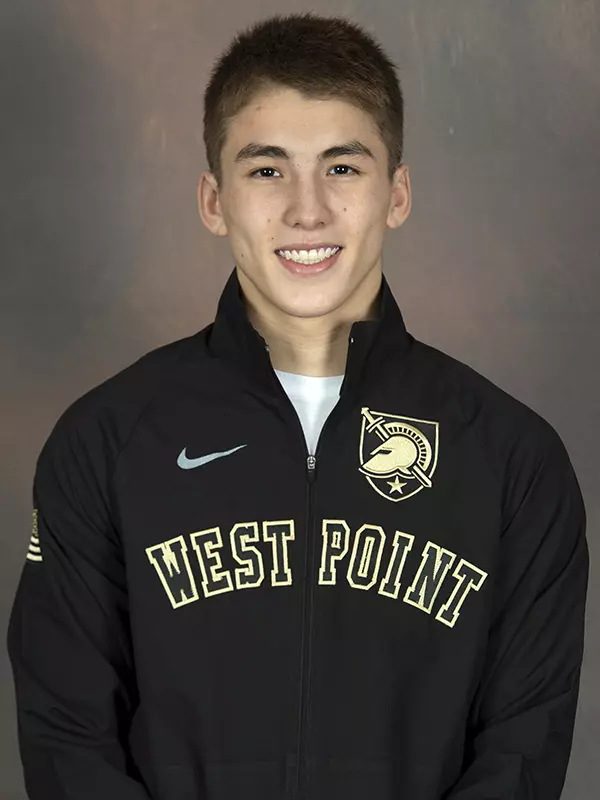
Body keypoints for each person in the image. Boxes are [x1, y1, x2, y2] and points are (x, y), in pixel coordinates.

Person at [6, 11, 589, 800]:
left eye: (343, 168)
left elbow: (522, 749)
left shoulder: (515, 461)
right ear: (214, 200)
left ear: (398, 192)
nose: (307, 210)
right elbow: (69, 738)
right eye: (267, 169)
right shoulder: (105, 443)